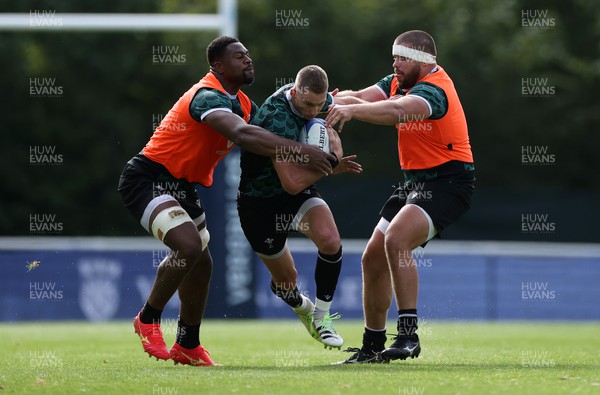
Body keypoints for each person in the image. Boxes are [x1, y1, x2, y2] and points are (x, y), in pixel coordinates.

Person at [118, 36, 337, 367]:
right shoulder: (207, 96)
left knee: (202, 263)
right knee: (189, 248)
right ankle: (148, 319)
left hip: (184, 186)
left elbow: (264, 142)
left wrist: (329, 147)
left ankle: (188, 344)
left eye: (248, 55)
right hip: (149, 179)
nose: (248, 60)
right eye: (239, 57)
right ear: (218, 66)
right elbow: (245, 136)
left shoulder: (245, 104)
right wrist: (305, 150)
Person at [326, 30, 475, 363]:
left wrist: (349, 112)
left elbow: (395, 111)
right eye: (394, 57)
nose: (395, 64)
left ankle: (408, 336)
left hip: (449, 184)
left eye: (402, 58)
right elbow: (360, 97)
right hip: (415, 183)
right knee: (372, 260)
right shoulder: (398, 79)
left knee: (396, 240)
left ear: (423, 60)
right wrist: (323, 101)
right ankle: (372, 347)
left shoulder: (435, 90)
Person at [237, 65, 362, 349]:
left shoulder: (317, 100)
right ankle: (302, 307)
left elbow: (342, 102)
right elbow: (291, 182)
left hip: (296, 192)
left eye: (319, 105)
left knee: (330, 241)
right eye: (307, 104)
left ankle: (322, 317)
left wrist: (385, 105)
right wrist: (332, 164)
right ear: (294, 93)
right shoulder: (277, 120)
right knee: (285, 282)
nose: (313, 111)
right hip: (260, 201)